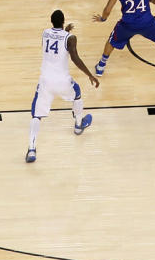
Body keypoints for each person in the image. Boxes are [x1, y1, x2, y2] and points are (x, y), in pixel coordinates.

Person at [25, 10, 100, 163]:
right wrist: (89, 75)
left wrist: (64, 32)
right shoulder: (71, 38)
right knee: (77, 94)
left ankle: (31, 149)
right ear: (64, 21)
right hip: (62, 81)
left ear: (51, 21)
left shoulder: (45, 33)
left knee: (36, 115)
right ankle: (79, 125)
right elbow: (74, 57)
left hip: (45, 82)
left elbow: (56, 44)